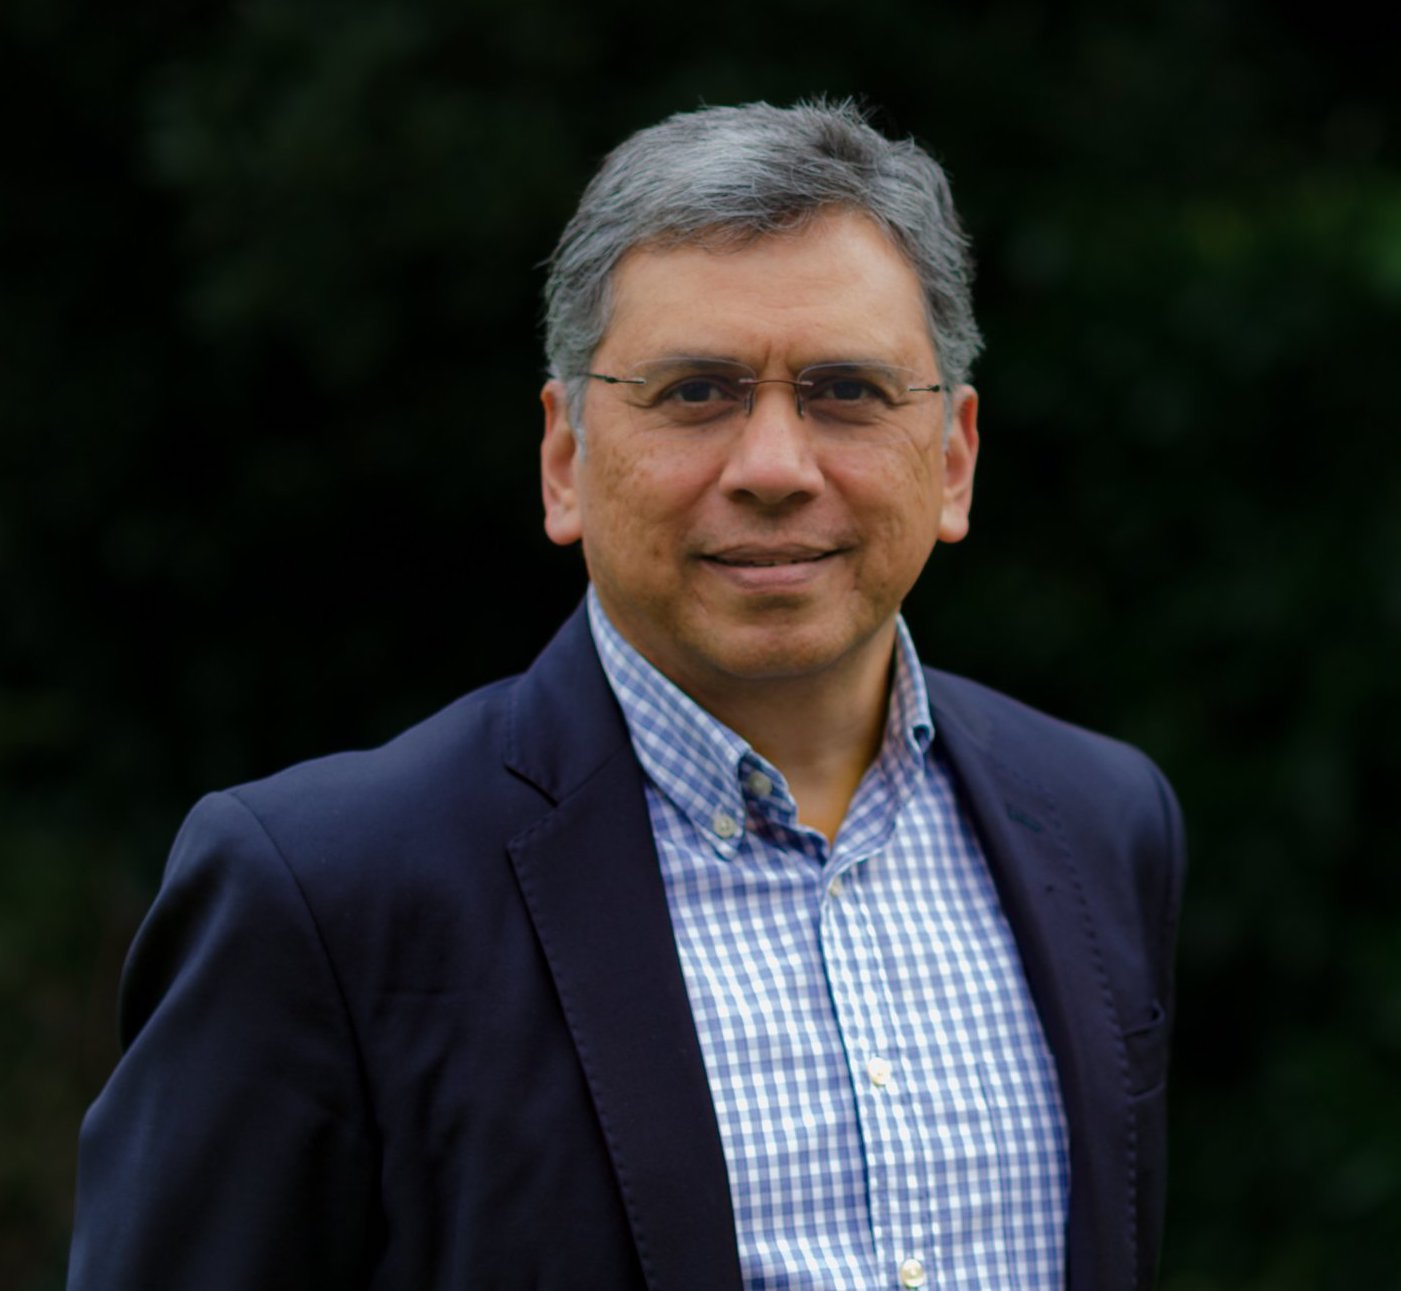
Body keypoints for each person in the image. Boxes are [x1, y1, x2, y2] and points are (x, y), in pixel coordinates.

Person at [68, 100, 1185, 1291]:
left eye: (847, 390)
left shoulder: (1101, 821)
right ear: (566, 459)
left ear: (954, 459)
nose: (771, 468)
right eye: (696, 391)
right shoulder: (325, 893)